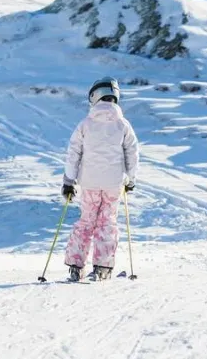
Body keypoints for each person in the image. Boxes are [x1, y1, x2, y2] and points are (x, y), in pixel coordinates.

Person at [62, 76, 139, 282]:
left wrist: (69, 181)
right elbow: (132, 153)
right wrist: (130, 179)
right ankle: (102, 268)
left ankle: (76, 267)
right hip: (113, 184)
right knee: (107, 222)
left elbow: (73, 153)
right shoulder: (123, 125)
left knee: (87, 220)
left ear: (94, 96)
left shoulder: (85, 124)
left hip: (89, 183)